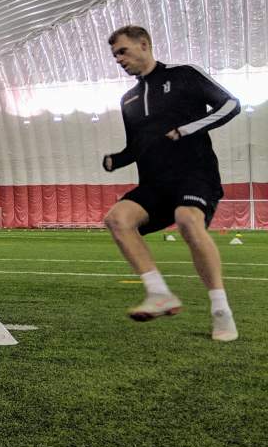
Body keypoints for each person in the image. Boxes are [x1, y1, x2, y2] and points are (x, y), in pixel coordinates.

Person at [101, 25, 241, 341]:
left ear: (144, 44)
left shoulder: (184, 74)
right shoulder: (129, 99)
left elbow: (230, 105)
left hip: (195, 174)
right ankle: (159, 294)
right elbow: (137, 147)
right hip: (154, 184)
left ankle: (221, 310)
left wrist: (186, 130)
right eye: (114, 55)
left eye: (122, 51)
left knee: (187, 220)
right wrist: (117, 160)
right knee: (117, 220)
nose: (118, 59)